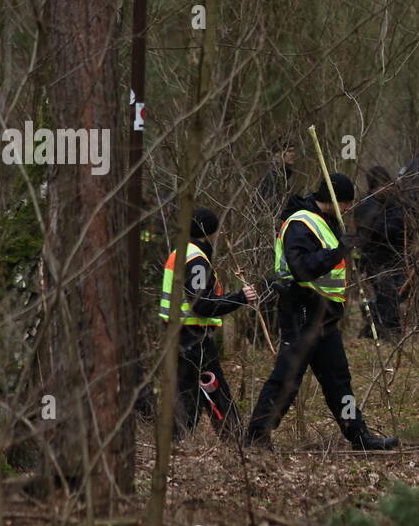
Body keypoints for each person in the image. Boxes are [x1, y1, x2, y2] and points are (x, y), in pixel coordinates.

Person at [244, 174, 398, 451]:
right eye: (347, 202)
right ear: (333, 200)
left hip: (325, 315)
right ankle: (257, 435)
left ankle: (358, 434)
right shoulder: (301, 223)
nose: (349, 208)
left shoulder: (327, 222)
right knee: (287, 378)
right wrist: (338, 253)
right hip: (301, 309)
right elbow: (301, 267)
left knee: (339, 380)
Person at [159, 208, 258, 437]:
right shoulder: (196, 260)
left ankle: (178, 442)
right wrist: (240, 298)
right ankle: (235, 440)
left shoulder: (183, 252)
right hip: (192, 336)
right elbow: (201, 304)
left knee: (188, 393)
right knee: (215, 390)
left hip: (180, 334)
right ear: (209, 232)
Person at [354, 166, 406, 339]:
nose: (387, 188)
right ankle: (388, 331)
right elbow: (366, 234)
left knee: (397, 294)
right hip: (375, 260)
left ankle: (375, 323)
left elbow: (400, 225)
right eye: (382, 185)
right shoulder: (366, 206)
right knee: (387, 295)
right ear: (374, 188)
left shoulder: (394, 203)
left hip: (395, 257)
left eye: (388, 184)